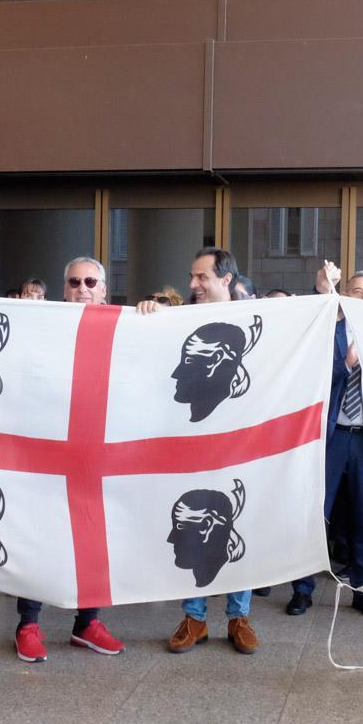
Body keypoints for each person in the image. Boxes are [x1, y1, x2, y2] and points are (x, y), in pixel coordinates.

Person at [0, 257, 126, 663]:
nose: (82, 288)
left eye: (90, 281)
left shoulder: (124, 327)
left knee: (94, 538)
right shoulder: (42, 323)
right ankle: (28, 624)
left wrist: (155, 314)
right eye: (74, 281)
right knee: (39, 537)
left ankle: (88, 622)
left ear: (103, 288)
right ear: (64, 288)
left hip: (96, 453)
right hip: (46, 451)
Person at [140, 248, 261, 655]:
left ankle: (238, 616)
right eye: (192, 277)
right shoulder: (181, 320)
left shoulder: (255, 318)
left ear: (226, 279)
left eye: (201, 277)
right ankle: (194, 617)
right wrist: (148, 314)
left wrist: (326, 293)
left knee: (239, 523)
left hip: (240, 446)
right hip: (190, 446)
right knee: (190, 525)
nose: (193, 284)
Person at [288, 264, 363, 620]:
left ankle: (361, 589)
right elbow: (311, 376)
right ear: (345, 296)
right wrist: (346, 363)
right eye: (357, 291)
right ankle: (302, 591)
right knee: (315, 513)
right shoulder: (329, 330)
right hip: (330, 437)